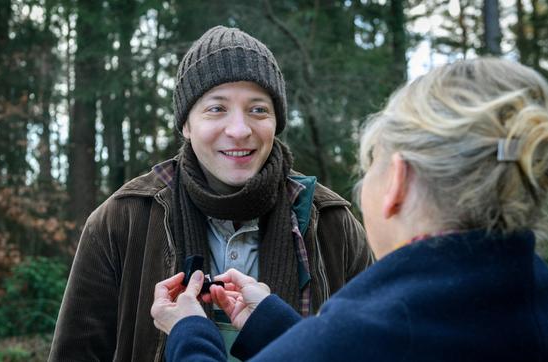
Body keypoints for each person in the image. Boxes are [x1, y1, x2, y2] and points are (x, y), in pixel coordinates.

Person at [151, 57, 548, 361]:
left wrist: (191, 333)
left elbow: (353, 347)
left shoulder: (376, 325)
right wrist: (270, 322)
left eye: (370, 164)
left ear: (396, 180)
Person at [49, 26, 373, 361]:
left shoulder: (331, 223)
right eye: (217, 109)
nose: (239, 130)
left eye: (258, 109)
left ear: (277, 121)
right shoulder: (121, 220)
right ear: (186, 125)